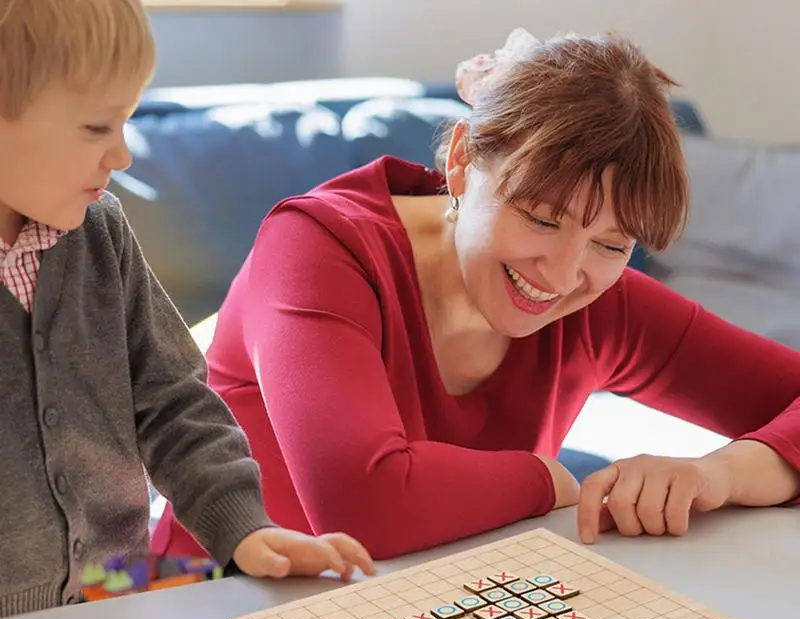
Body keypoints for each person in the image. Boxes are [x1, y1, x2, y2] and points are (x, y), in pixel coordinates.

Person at [154, 29, 800, 563]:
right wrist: (551, 479)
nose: (563, 273)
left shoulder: (604, 302)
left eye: (612, 243)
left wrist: (722, 472)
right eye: (542, 218)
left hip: (434, 613)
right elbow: (366, 506)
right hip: (213, 603)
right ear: (462, 160)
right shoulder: (319, 247)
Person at [0, 0, 374, 618]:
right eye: (97, 128)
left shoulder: (100, 233)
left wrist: (245, 531)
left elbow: (174, 401)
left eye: (127, 122)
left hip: (115, 595)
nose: (121, 156)